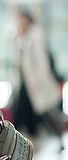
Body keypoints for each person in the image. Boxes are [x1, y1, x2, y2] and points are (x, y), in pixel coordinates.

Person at [10, 10, 65, 150]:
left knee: (48, 113)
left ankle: (60, 138)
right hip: (28, 83)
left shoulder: (36, 35)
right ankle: (21, 143)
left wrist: (39, 82)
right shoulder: (26, 36)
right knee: (35, 112)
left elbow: (41, 61)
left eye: (21, 20)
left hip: (37, 83)